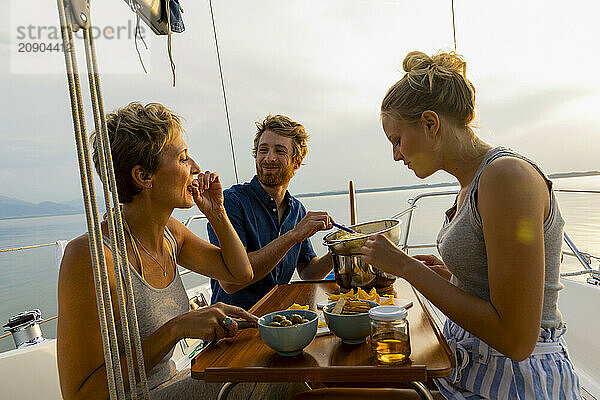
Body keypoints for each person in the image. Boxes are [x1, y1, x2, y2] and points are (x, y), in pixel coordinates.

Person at [360, 51, 582, 399]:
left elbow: (517, 339)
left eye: (397, 139)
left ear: (430, 124)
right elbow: (492, 292)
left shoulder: (507, 178)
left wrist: (405, 267)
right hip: (471, 368)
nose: (396, 155)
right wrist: (447, 277)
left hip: (516, 382)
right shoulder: (471, 186)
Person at [57, 103, 302, 399]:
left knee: (292, 367)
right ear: (143, 177)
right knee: (281, 379)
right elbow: (82, 394)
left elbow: (240, 272)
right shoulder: (90, 257)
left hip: (174, 383)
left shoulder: (171, 233)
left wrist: (217, 214)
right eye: (183, 158)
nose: (196, 168)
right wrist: (177, 328)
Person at [208, 114, 334, 310]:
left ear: (297, 161)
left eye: (280, 151)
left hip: (276, 322)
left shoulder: (297, 210)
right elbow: (231, 282)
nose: (269, 158)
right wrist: (293, 235)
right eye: (263, 150)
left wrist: (343, 248)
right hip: (233, 327)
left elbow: (309, 272)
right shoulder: (231, 203)